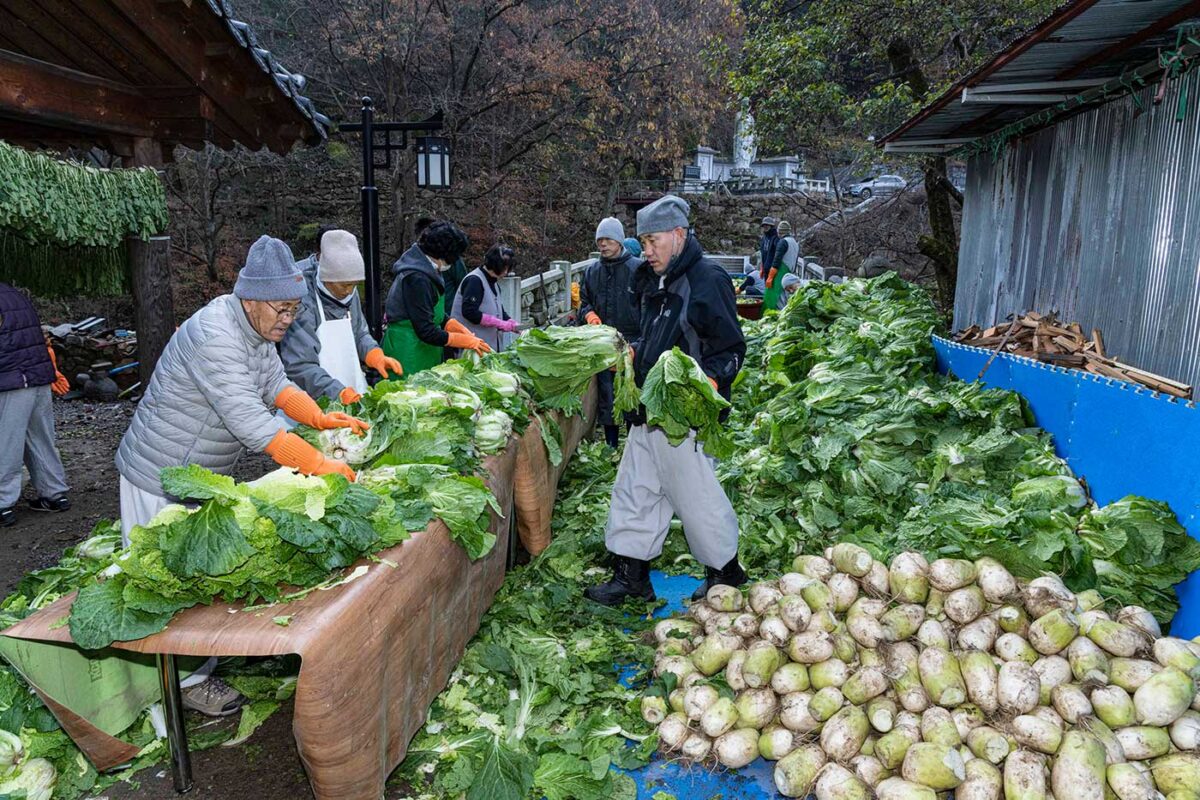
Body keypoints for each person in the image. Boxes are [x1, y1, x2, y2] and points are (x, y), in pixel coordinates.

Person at [115, 236, 367, 716]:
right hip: (157, 473)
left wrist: (319, 419)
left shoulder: (255, 329)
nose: (288, 320)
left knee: (188, 575)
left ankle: (193, 675)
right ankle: (163, 696)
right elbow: (253, 424)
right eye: (281, 310)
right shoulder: (215, 334)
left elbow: (275, 384)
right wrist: (319, 464)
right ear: (251, 299)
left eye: (294, 310)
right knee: (156, 584)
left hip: (196, 473)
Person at [585, 196, 747, 606]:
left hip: (682, 417)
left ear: (678, 235)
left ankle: (725, 573)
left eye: (653, 241)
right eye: (643, 241)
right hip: (647, 410)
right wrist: (635, 352)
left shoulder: (707, 279)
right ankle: (631, 576)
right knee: (636, 490)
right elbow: (658, 337)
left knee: (696, 498)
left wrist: (706, 384)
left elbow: (730, 348)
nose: (648, 250)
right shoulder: (655, 279)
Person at [280, 229, 402, 406]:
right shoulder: (301, 297)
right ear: (327, 277)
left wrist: (374, 355)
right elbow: (300, 364)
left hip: (349, 391)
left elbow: (359, 333)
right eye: (344, 285)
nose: (349, 291)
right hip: (310, 398)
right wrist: (337, 392)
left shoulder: (348, 293)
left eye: (354, 285)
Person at [0, 283, 71, 527]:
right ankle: (54, 494)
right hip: (37, 376)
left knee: (5, 442)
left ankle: (2, 504)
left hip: (10, 379)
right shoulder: (11, 292)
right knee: (39, 437)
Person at [382, 221, 490, 374]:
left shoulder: (429, 267)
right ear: (445, 254)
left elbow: (428, 307)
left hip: (424, 347)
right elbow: (425, 330)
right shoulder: (416, 277)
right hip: (408, 348)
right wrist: (459, 340)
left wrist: (449, 323)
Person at [579, 217, 642, 447]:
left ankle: (636, 443)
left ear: (619, 240)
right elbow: (584, 301)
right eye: (599, 240)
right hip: (603, 343)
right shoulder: (592, 271)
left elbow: (648, 304)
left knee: (633, 391)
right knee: (607, 395)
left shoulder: (637, 269)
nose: (603, 244)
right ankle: (611, 445)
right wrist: (589, 315)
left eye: (607, 239)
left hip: (633, 341)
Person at [449, 244, 521, 353]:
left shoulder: (494, 283)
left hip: (488, 347)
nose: (506, 272)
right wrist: (498, 323)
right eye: (505, 268)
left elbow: (499, 310)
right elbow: (469, 312)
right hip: (470, 348)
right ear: (496, 265)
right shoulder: (474, 281)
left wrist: (510, 322)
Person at [766, 220, 798, 310]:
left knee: (773, 296)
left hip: (780, 272)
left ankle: (771, 314)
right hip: (790, 272)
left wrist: (770, 277)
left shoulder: (783, 242)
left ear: (779, 231)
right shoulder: (794, 242)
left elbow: (776, 260)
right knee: (785, 296)